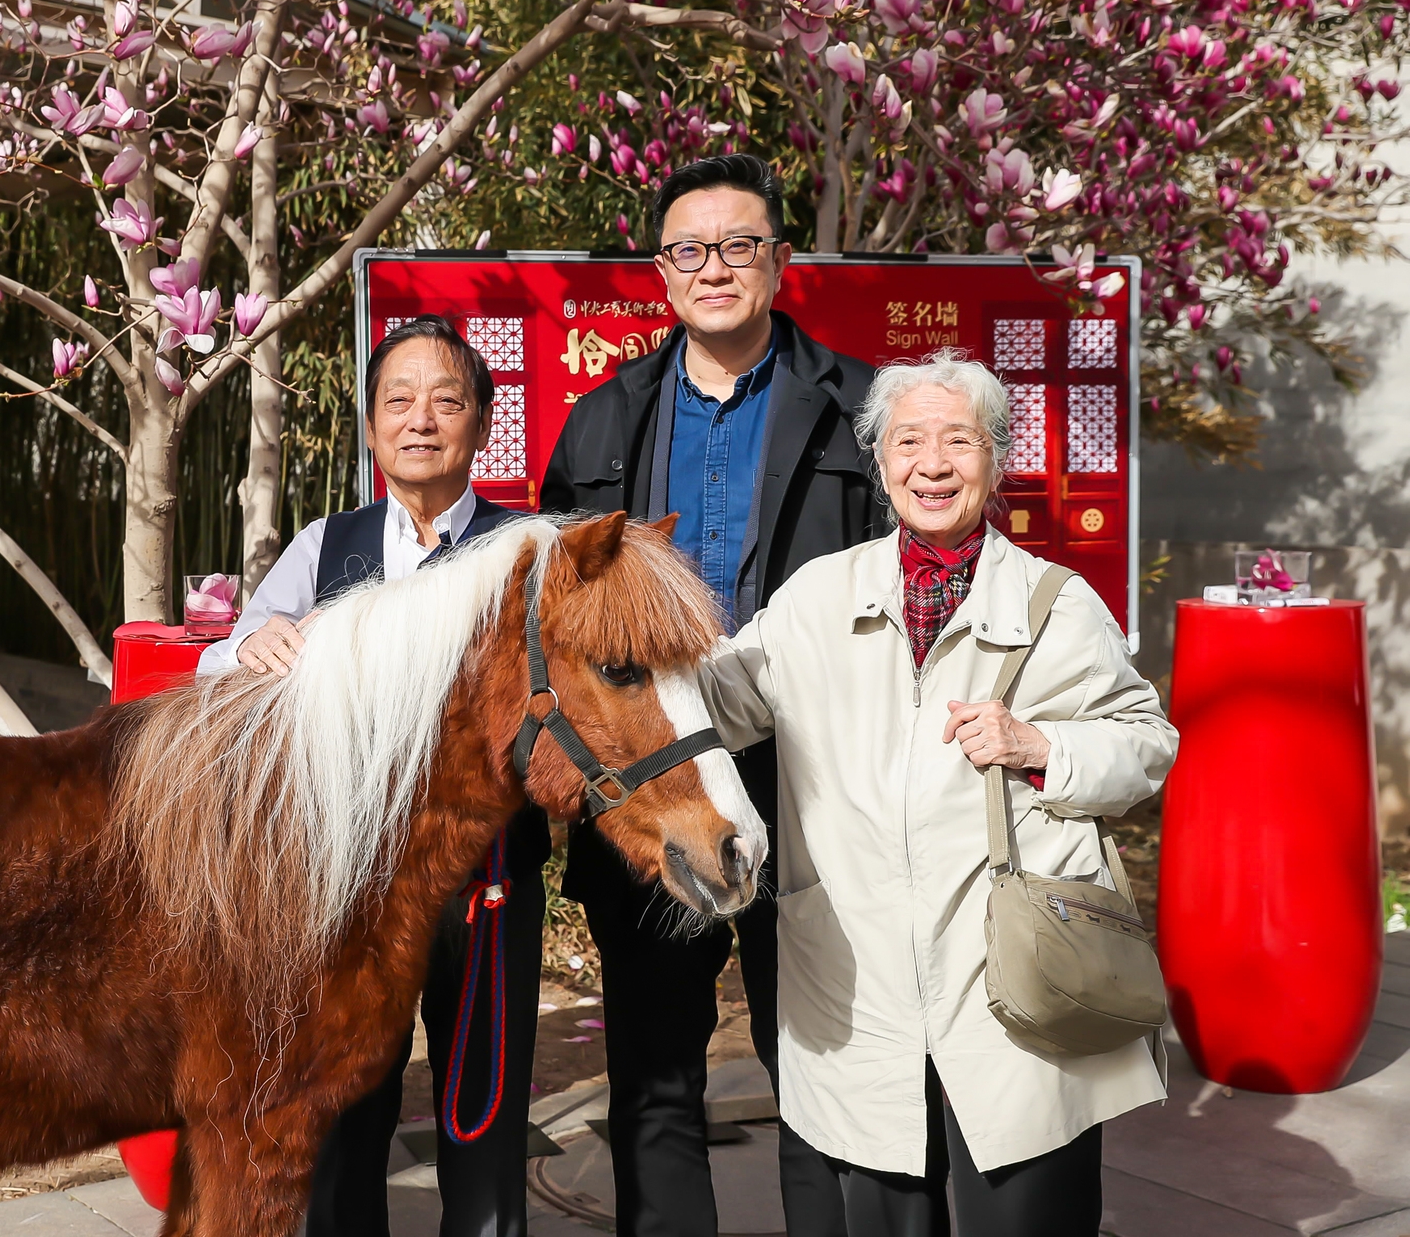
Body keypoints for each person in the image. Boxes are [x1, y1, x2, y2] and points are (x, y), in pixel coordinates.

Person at [697, 349, 1176, 1236]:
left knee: (1028, 1211)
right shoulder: (815, 598)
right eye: (909, 441)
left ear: (994, 462)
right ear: (880, 464)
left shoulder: (1054, 604)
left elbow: (1148, 745)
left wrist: (1042, 744)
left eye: (960, 440)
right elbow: (713, 703)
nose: (933, 463)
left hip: (1013, 978)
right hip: (857, 977)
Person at [541, 153, 880, 1236]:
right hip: (659, 784)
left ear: (780, 262)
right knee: (654, 1078)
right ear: (662, 271)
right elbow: (556, 612)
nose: (715, 266)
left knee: (825, 1071)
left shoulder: (861, 411)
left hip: (814, 783)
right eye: (691, 249)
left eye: (739, 244)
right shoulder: (602, 422)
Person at [197, 315, 549, 1237]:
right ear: (370, 425)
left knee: (485, 1117)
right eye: (399, 400)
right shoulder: (328, 544)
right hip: (349, 896)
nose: (421, 419)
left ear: (481, 422)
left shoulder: (529, 552)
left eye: (446, 400)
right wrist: (250, 641)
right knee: (347, 1116)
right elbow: (220, 665)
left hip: (488, 888)